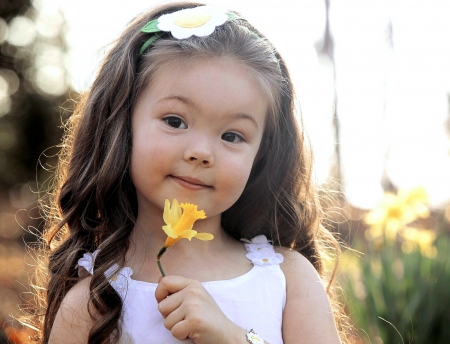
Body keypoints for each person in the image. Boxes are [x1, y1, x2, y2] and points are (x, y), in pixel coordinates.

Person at [25, 2, 350, 343]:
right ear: (122, 125)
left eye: (232, 136)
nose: (201, 153)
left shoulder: (288, 278)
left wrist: (233, 337)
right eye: (175, 121)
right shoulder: (93, 301)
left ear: (261, 155)